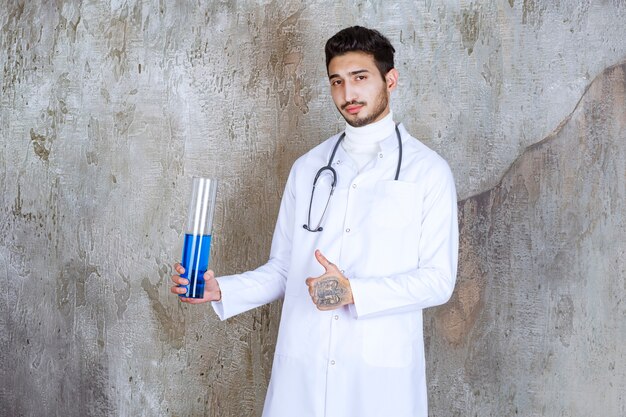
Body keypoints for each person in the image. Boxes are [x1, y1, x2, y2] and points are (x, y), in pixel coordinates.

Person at [171, 26, 458, 417]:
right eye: (337, 82)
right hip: (303, 372)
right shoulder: (308, 168)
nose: (348, 94)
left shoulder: (427, 172)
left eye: (360, 78)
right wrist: (220, 289)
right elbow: (285, 269)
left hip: (377, 380)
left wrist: (353, 292)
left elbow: (438, 281)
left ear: (390, 79)